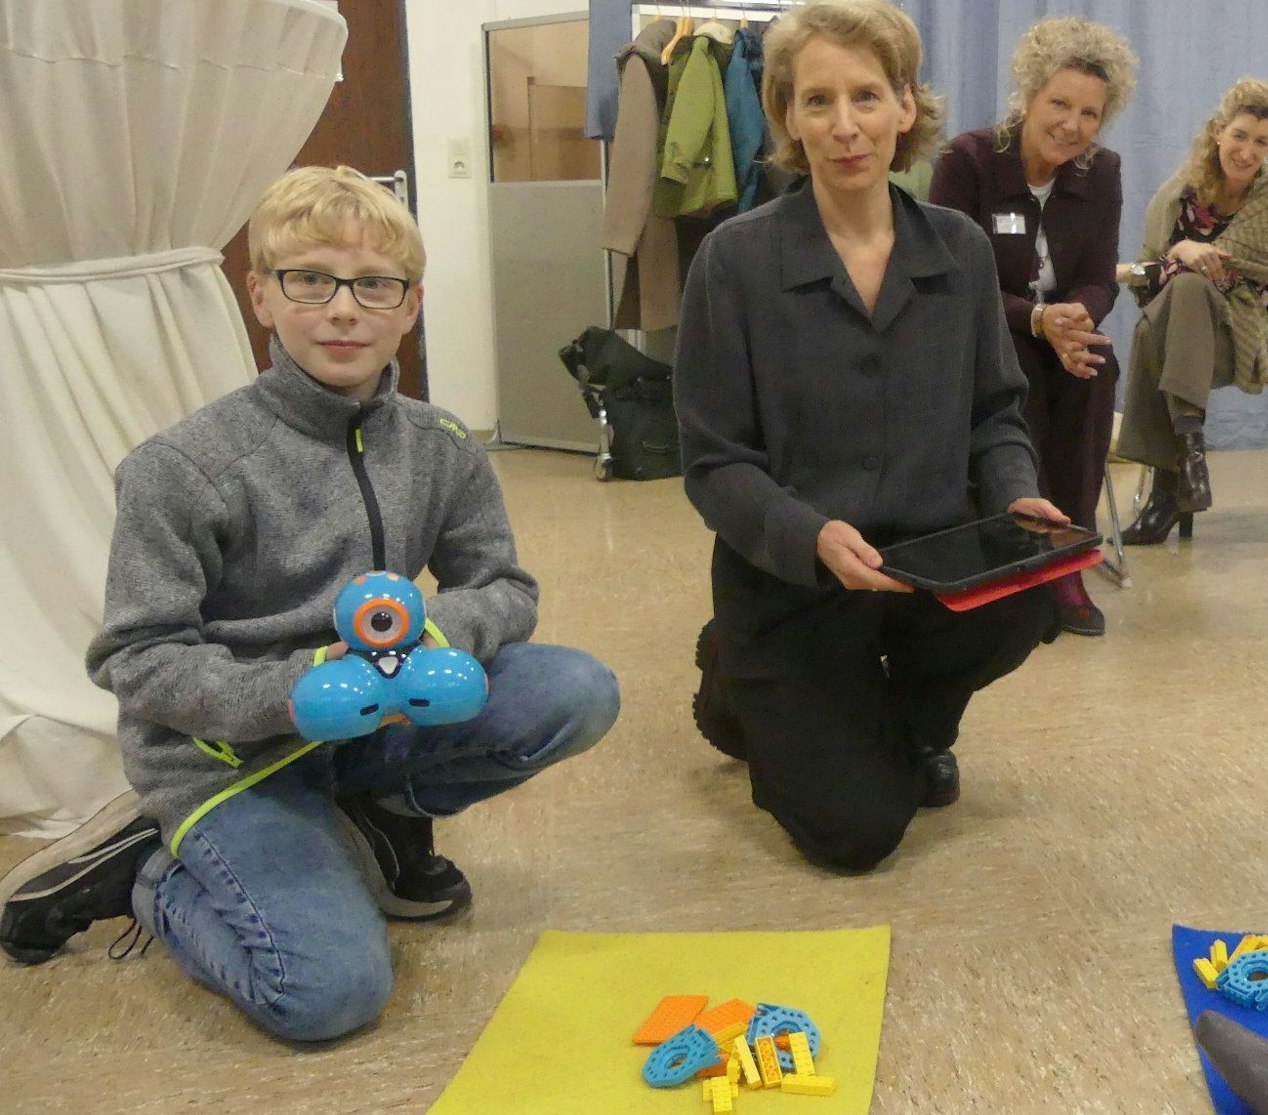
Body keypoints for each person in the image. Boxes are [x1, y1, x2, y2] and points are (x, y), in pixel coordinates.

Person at [0, 167, 620, 1041]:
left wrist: (440, 634)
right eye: (309, 279)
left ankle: (382, 816)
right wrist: (293, 689)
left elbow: (505, 588)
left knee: (576, 690)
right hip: (232, 760)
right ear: (259, 294)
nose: (342, 309)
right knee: (328, 994)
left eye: (374, 284)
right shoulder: (181, 468)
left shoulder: (443, 447)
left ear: (408, 305)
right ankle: (155, 871)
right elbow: (135, 658)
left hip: (375, 724)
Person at [678, 0, 1062, 873]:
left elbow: (995, 414)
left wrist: (1013, 495)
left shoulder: (957, 249)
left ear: (904, 105)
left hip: (926, 564)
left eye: (865, 97)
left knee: (1028, 597)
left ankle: (908, 723)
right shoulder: (734, 262)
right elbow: (713, 461)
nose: (845, 126)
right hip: (793, 580)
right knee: (857, 836)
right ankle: (736, 684)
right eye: (818, 102)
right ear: (786, 116)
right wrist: (807, 535)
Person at [930, 16, 1136, 637]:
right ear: (1028, 96)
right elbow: (949, 278)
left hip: (1058, 331)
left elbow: (1102, 275)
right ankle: (1019, 552)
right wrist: (1039, 318)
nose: (1072, 125)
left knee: (1095, 372)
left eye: (1090, 114)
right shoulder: (968, 161)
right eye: (1060, 104)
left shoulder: (1100, 171)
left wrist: (1077, 319)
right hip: (981, 329)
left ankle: (1066, 556)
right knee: (1020, 379)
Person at [1114, 78, 1268, 544]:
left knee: (1170, 311)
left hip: (1264, 329)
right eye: (1240, 135)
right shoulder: (1179, 192)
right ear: (1218, 130)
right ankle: (1189, 459)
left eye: (1262, 142)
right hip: (1193, 337)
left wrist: (1177, 251)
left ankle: (1171, 486)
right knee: (1173, 310)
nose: (1247, 151)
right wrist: (1175, 255)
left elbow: (1208, 268)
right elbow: (1152, 281)